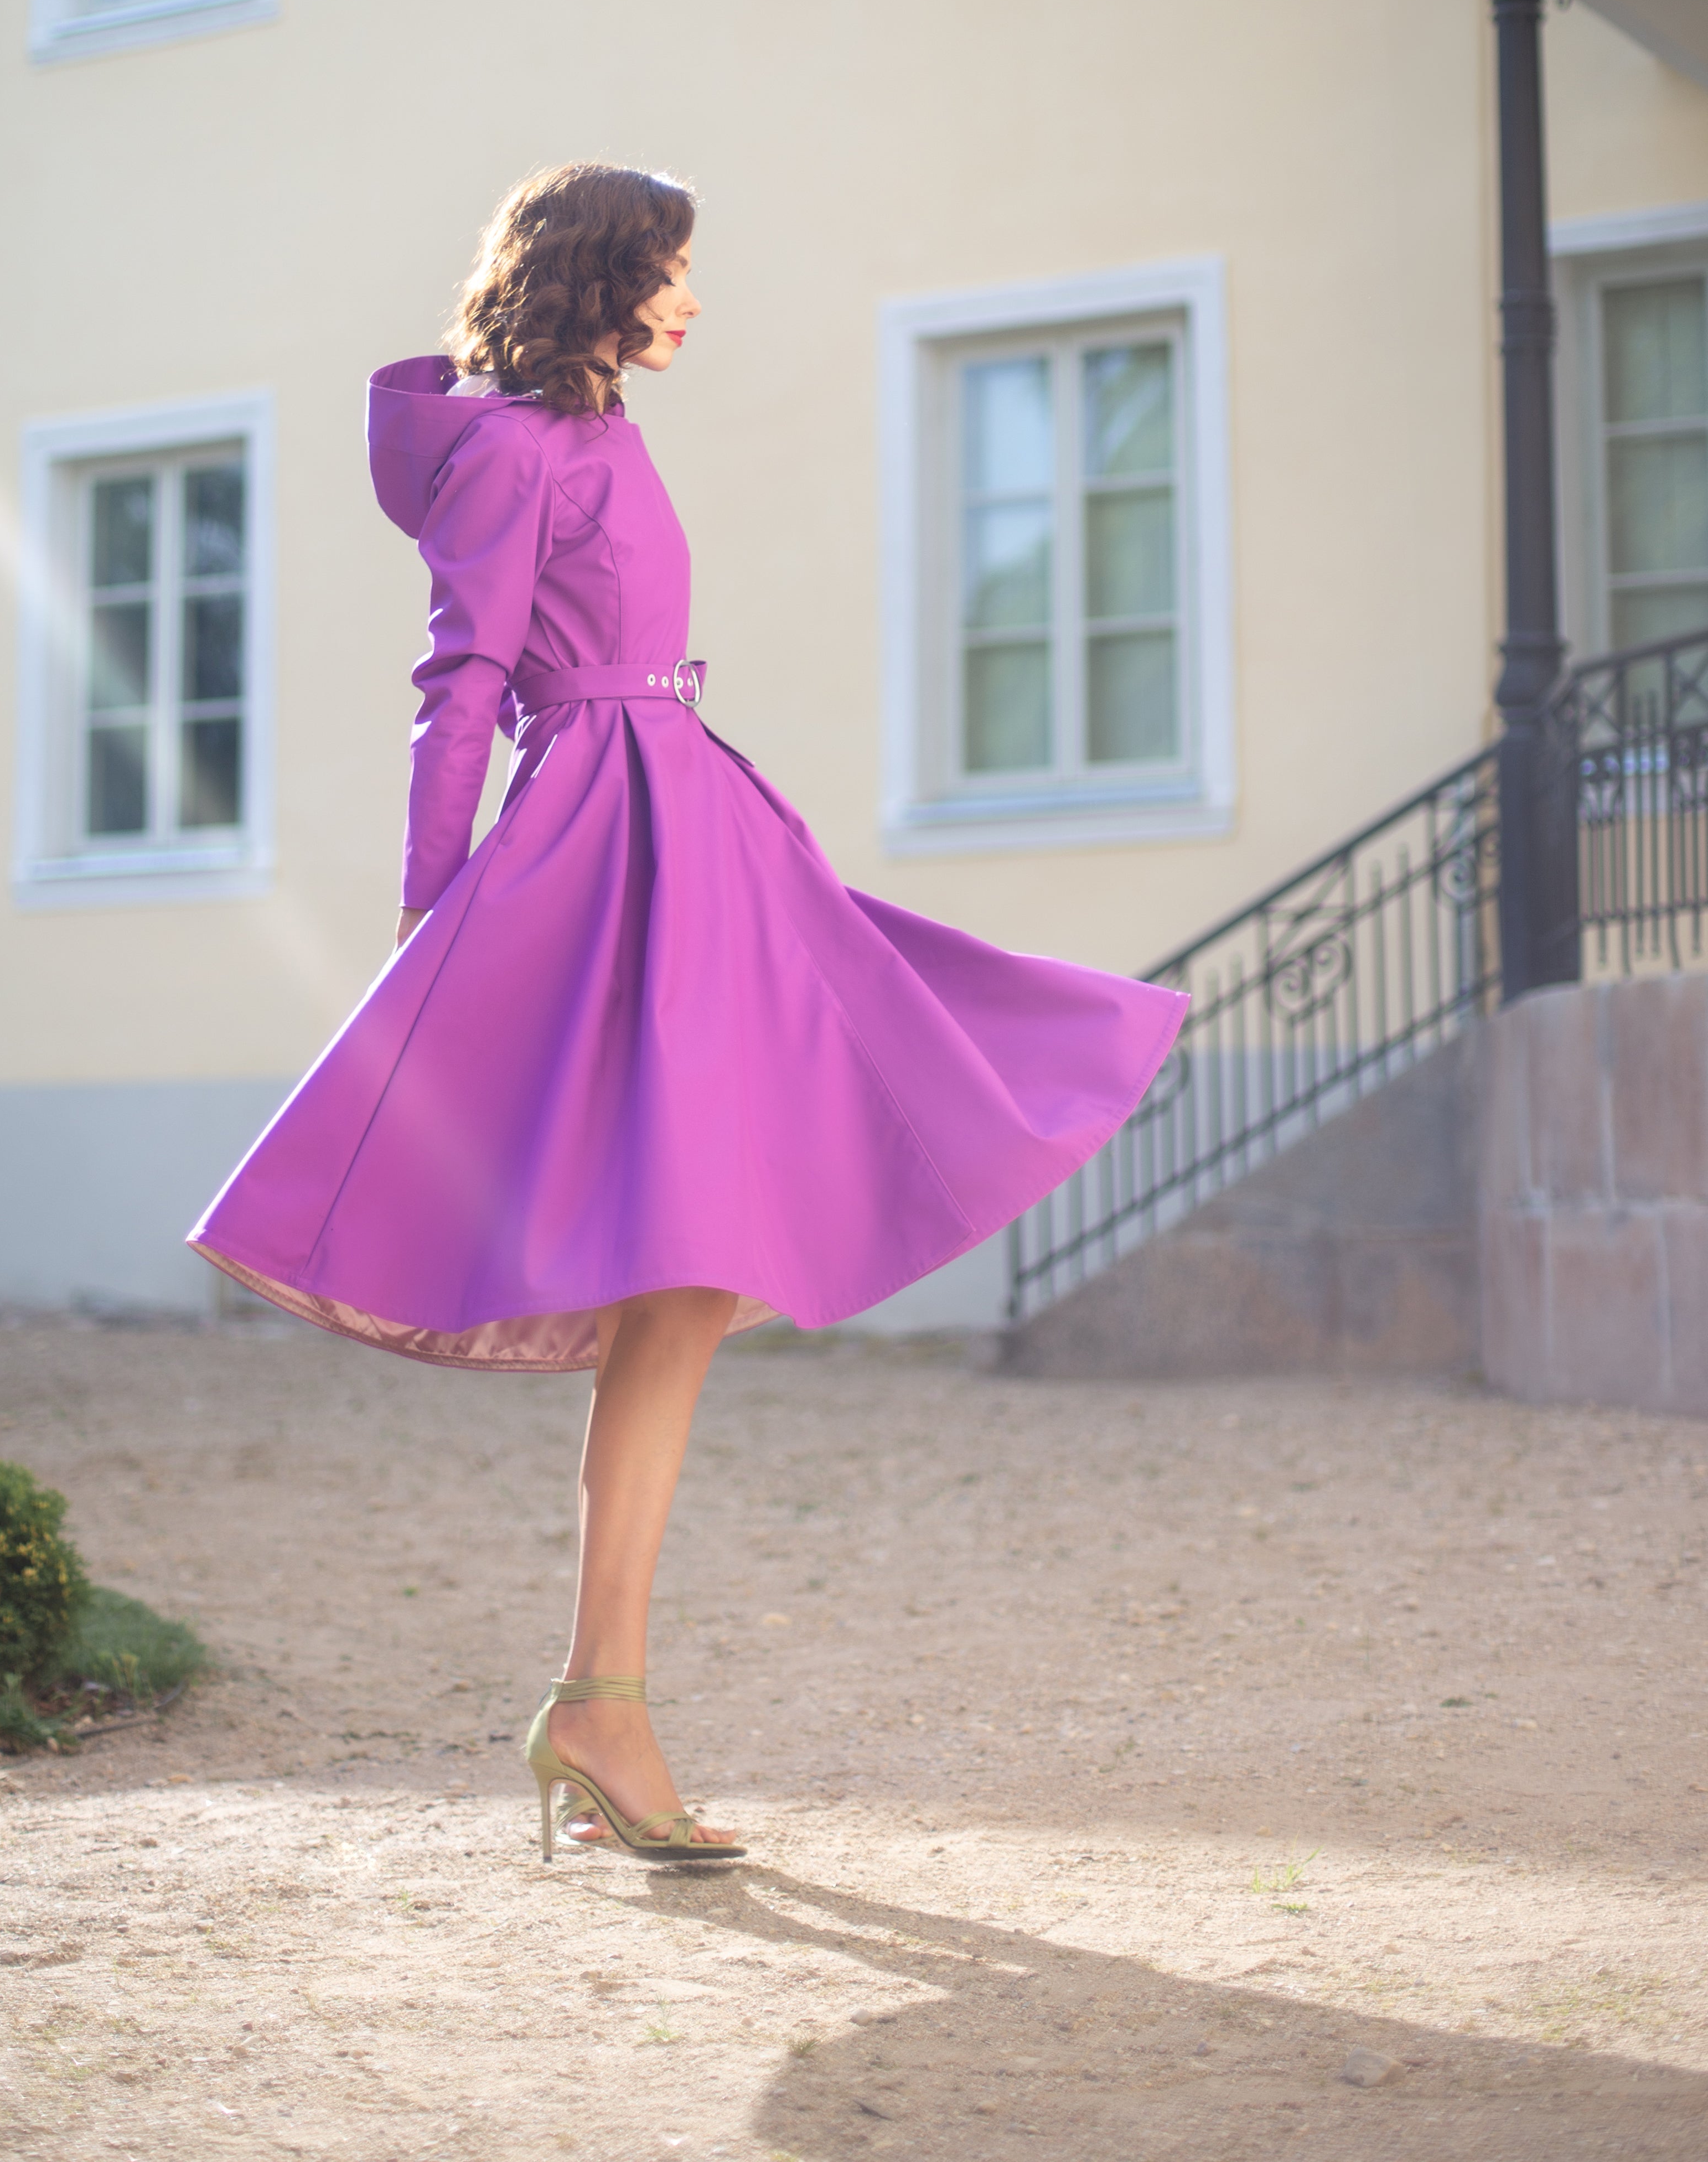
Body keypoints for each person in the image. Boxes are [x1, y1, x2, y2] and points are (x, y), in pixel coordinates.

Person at [190, 162, 1184, 1864]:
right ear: (598, 277)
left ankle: (602, 1701)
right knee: (687, 1253)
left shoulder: (601, 431)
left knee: (715, 1251)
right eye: (671, 271)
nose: (694, 302)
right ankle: (604, 1704)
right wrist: (438, 923)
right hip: (603, 844)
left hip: (696, 820)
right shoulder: (506, 451)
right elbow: (464, 682)